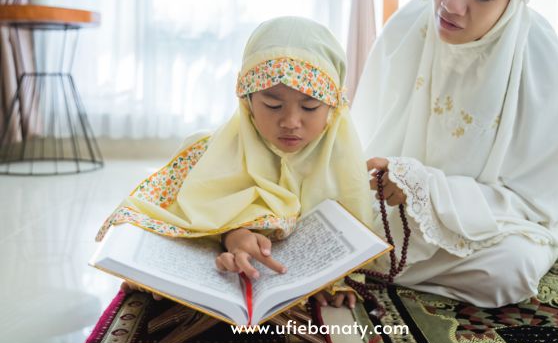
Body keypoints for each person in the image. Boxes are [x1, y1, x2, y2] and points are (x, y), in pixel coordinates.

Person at [351, 0, 558, 307]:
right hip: (399, 217)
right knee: (341, 223)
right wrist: (392, 179)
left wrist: (427, 189)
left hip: (490, 228)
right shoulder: (408, 25)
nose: (453, 4)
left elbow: (538, 202)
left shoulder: (538, 54)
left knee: (510, 269)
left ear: (515, 0)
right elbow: (365, 147)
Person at [96, 16, 373, 309]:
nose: (291, 122)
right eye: (273, 105)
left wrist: (340, 277)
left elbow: (352, 231)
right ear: (247, 100)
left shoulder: (344, 167)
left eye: (310, 106)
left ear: (334, 106)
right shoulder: (213, 157)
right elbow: (183, 213)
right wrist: (233, 234)